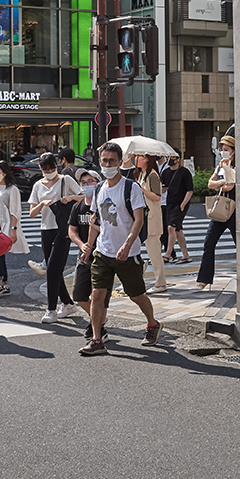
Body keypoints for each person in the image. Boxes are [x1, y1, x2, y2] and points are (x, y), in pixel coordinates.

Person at [79, 142, 161, 355]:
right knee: (97, 294)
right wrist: (88, 247)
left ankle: (152, 324)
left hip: (128, 253)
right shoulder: (99, 188)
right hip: (103, 252)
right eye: (104, 161)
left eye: (112, 161)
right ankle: (97, 339)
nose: (107, 165)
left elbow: (139, 220)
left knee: (136, 295)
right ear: (99, 162)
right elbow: (96, 220)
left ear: (119, 162)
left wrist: (127, 244)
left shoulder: (130, 187)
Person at [27, 152, 84, 323]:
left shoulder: (66, 180)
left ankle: (51, 309)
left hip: (63, 229)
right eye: (45, 169)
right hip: (45, 229)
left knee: (52, 269)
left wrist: (70, 198)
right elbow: (31, 213)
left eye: (51, 168)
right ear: (40, 168)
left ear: (57, 165)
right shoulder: (38, 185)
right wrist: (41, 204)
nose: (49, 172)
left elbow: (83, 196)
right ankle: (68, 304)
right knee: (55, 270)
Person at [68, 168, 110, 343]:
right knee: (79, 294)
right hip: (84, 256)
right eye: (83, 183)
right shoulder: (78, 207)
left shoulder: (104, 204)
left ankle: (98, 328)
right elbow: (72, 230)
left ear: (98, 183)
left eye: (90, 181)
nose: (87, 185)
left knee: (100, 296)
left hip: (103, 255)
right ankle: (98, 321)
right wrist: (81, 244)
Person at [196, 136, 237, 291]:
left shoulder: (235, 167)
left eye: (226, 150)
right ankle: (204, 279)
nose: (223, 152)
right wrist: (221, 182)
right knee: (209, 243)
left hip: (233, 210)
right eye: (222, 149)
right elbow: (210, 183)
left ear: (233, 151)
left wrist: (221, 182)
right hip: (219, 209)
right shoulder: (219, 167)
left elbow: (230, 187)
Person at [133, 155, 168, 293]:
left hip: (152, 218)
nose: (136, 159)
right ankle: (138, 274)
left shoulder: (152, 175)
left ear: (147, 159)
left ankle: (160, 283)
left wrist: (140, 189)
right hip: (144, 217)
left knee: (154, 252)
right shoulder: (141, 174)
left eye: (140, 156)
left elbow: (157, 196)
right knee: (136, 248)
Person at [0, 160, 24, 298]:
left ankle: (0, 283)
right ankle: (3, 284)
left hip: (6, 225)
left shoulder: (12, 189)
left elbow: (15, 210)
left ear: (4, 173)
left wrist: (13, 229)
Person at [161, 155, 194, 263]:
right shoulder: (165, 172)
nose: (169, 159)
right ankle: (186, 255)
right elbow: (164, 188)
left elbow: (190, 190)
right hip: (170, 204)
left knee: (171, 227)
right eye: (168, 157)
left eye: (172, 157)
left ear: (178, 159)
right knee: (178, 230)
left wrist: (183, 204)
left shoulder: (184, 172)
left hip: (180, 204)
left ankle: (168, 254)